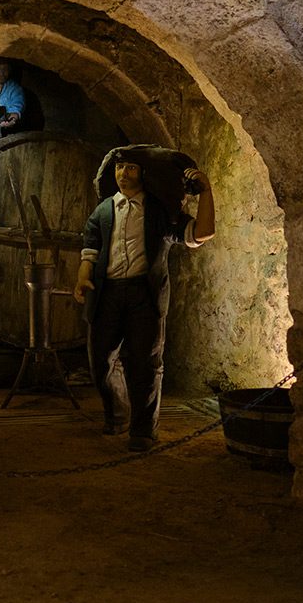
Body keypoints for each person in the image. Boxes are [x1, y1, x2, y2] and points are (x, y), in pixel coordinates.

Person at [73, 145, 215, 451]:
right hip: (107, 293)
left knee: (145, 363)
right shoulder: (103, 211)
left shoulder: (158, 211)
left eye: (132, 168)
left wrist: (206, 193)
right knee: (100, 360)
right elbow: (91, 248)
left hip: (144, 295)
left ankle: (143, 430)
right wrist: (83, 276)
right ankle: (118, 413)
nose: (124, 174)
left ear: (144, 174)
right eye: (120, 168)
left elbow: (202, 233)